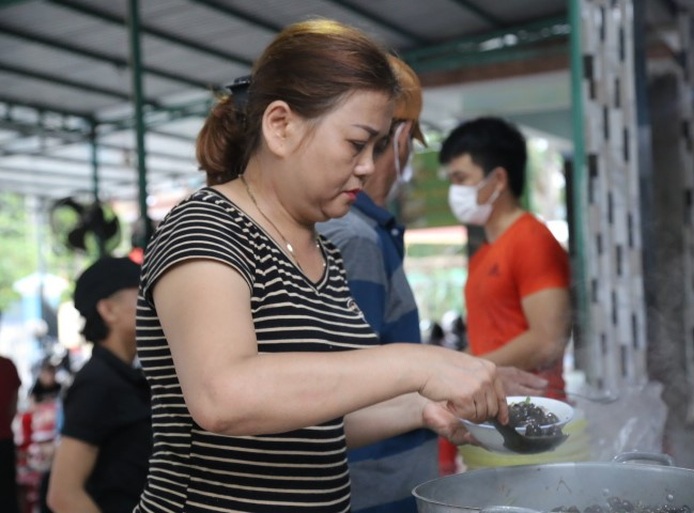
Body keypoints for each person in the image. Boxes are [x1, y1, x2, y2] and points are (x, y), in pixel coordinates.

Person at [131, 19, 522, 513]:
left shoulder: (322, 252)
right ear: (281, 126)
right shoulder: (205, 226)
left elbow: (314, 423)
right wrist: (419, 363)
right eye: (356, 143)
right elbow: (223, 396)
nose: (367, 165)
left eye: (378, 146)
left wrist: (424, 408)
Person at [315, 54, 438, 512]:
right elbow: (346, 386)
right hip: (373, 493)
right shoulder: (352, 237)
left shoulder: (360, 232)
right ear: (401, 137)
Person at [439, 117, 574, 469]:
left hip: (532, 422)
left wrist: (468, 372)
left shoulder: (532, 240)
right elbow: (485, 340)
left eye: (461, 179)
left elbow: (548, 341)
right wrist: (446, 370)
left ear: (498, 179)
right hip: (491, 418)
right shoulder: (484, 253)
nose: (454, 191)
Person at [46, 256, 151, 513]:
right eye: (142, 293)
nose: (153, 303)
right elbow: (63, 494)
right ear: (108, 310)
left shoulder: (123, 375)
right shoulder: (97, 382)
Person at [0, 354, 22, 513]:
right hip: (4, 442)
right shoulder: (7, 365)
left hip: (5, 439)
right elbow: (13, 407)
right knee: (7, 497)